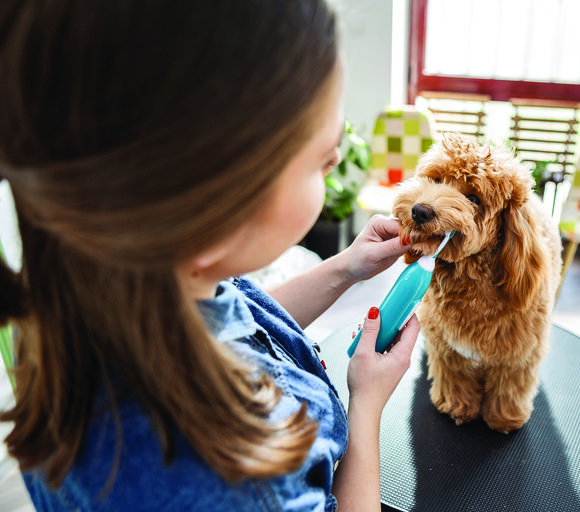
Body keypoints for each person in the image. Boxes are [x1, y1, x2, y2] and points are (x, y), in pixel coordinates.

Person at [0, 1, 420, 510]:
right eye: (320, 160)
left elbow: (237, 321)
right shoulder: (243, 478)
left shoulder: (95, 288)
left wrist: (343, 269)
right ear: (218, 207)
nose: (337, 160)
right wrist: (367, 410)